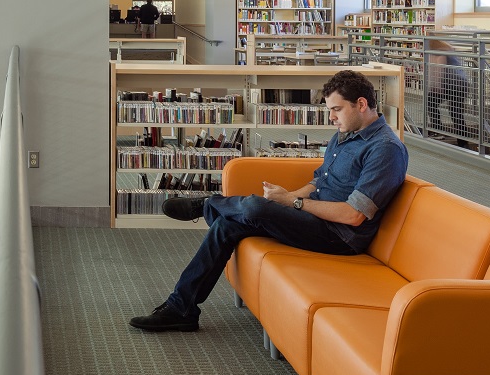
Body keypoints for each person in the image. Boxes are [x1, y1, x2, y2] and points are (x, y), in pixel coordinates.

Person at [130, 70, 408, 332]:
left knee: (253, 207)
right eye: (329, 111)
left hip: (340, 237)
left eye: (336, 109)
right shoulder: (346, 134)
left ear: (361, 104)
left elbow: (353, 216)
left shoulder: (385, 149)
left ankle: (207, 204)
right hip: (315, 219)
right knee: (226, 226)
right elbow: (319, 182)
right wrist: (289, 196)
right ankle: (182, 309)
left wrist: (292, 203)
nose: (332, 118)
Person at [424, 38, 470, 140]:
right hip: (461, 84)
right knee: (456, 111)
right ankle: (463, 139)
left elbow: (439, 70)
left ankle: (438, 131)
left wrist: (436, 87)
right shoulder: (448, 49)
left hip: (450, 84)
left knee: (431, 102)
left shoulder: (438, 52)